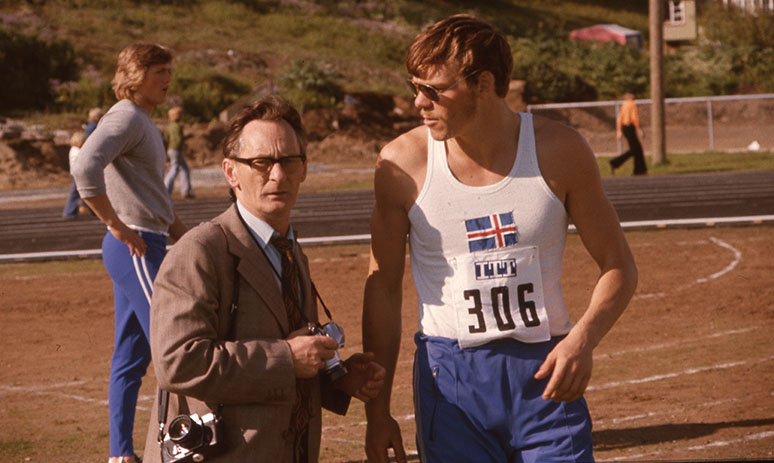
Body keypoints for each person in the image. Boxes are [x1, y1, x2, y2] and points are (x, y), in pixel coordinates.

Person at [362, 14, 638, 463]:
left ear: (484, 83)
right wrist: (376, 414)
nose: (418, 102)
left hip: (546, 374)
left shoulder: (560, 150)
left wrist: (582, 340)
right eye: (415, 87)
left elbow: (619, 265)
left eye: (434, 89)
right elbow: (383, 288)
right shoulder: (401, 164)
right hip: (450, 379)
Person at [142, 95, 385, 463]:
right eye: (261, 163)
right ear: (230, 172)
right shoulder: (201, 250)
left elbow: (288, 352)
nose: (278, 175)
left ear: (304, 169)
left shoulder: (289, 249)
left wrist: (336, 377)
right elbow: (177, 362)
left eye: (289, 161)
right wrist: (286, 357)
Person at [72, 43, 188, 463]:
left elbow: (151, 195)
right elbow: (84, 166)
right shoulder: (126, 116)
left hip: (146, 241)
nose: (168, 79)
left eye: (169, 71)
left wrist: (184, 236)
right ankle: (187, 440)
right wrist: (115, 224)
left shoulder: (143, 120)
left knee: (130, 357)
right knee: (176, 340)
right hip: (134, 245)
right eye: (160, 71)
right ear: (136, 76)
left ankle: (120, 455)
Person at [62, 107, 103, 218]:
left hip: (76, 173)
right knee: (82, 191)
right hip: (79, 173)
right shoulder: (78, 150)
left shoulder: (73, 149)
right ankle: (70, 212)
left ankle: (88, 209)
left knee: (84, 191)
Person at [609, 90, 647, 175]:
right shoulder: (632, 104)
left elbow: (619, 118)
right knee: (636, 149)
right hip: (629, 127)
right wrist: (639, 129)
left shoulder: (624, 104)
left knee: (637, 149)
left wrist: (619, 130)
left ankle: (639, 169)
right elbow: (634, 118)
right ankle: (615, 163)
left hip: (625, 128)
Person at [163, 105, 194, 198]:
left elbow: (166, 139)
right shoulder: (179, 127)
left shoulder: (169, 127)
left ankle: (186, 191)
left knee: (184, 169)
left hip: (170, 150)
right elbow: (179, 139)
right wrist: (183, 146)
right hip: (176, 150)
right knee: (175, 169)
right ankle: (166, 190)